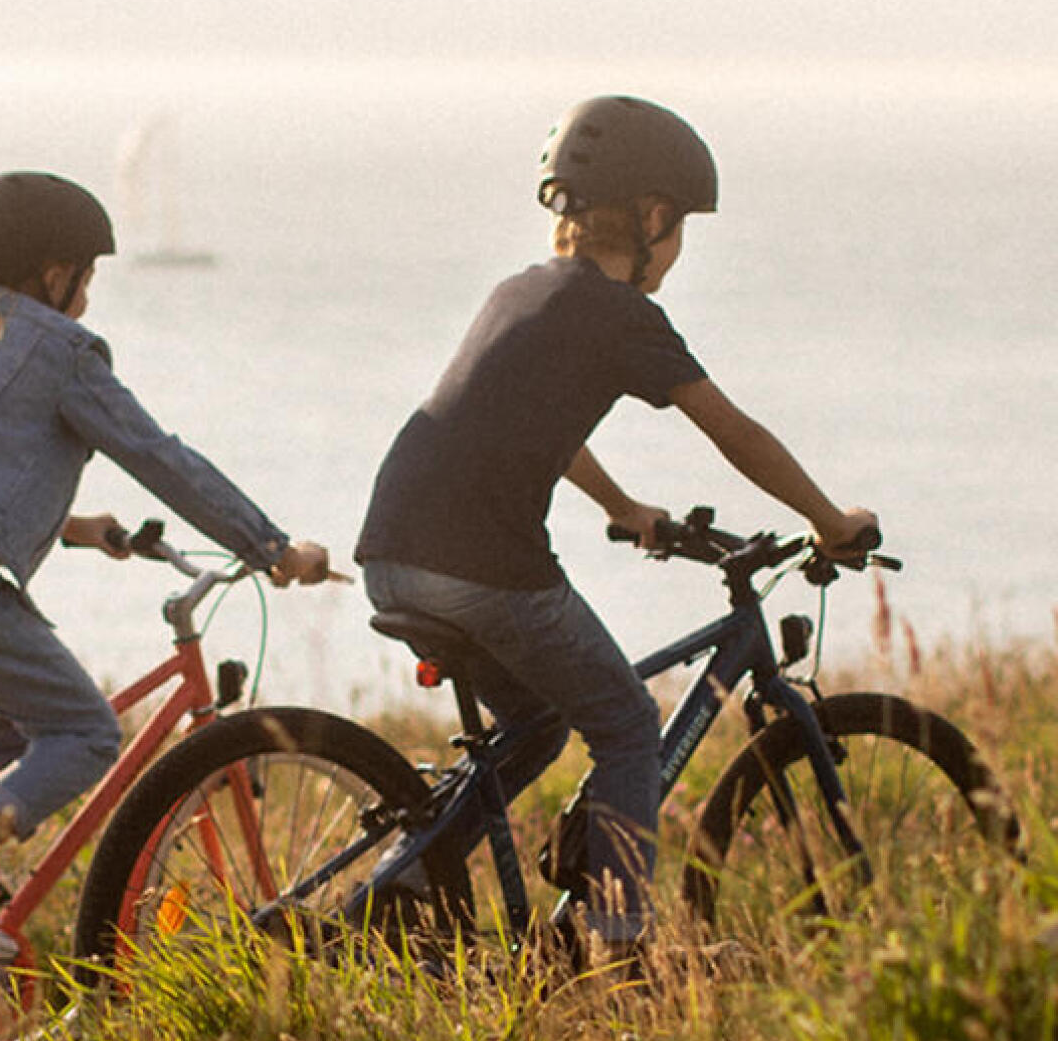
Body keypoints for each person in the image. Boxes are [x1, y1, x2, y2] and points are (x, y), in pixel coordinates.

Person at [354, 96, 878, 956]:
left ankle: (408, 882)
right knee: (629, 724)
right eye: (680, 230)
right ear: (654, 215)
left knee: (539, 721)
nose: (676, 252)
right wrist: (830, 519)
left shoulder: (518, 291)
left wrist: (621, 507)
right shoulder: (624, 315)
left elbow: (526, 424)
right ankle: (620, 949)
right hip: (487, 568)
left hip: (393, 549)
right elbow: (733, 430)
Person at [0, 171, 330, 960]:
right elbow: (162, 459)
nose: (87, 298)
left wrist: (80, 526)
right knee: (86, 732)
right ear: (56, 273)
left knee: (9, 719)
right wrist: (272, 547)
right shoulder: (57, 348)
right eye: (86, 278)